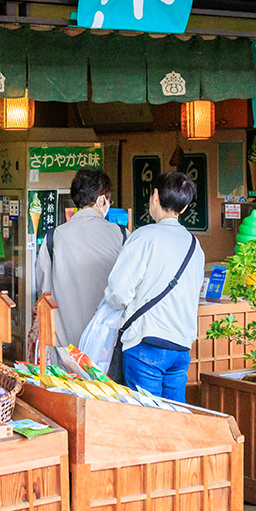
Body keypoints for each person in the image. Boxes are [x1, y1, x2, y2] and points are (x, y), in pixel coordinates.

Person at [101, 171, 203, 400]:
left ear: (155, 196)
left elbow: (118, 292)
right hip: (181, 346)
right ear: (184, 208)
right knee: (175, 416)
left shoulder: (144, 237)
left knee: (147, 418)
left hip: (146, 342)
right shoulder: (195, 245)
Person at [30, 169, 125, 356]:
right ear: (102, 200)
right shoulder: (121, 235)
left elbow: (41, 286)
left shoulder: (53, 238)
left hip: (63, 348)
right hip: (107, 347)